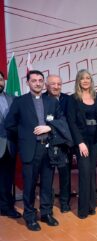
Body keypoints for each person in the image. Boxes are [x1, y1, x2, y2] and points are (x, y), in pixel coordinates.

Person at [5, 70, 65, 231]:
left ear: (43, 82)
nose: (37, 83)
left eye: (40, 80)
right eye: (34, 80)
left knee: (47, 184)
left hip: (48, 148)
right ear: (28, 83)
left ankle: (46, 213)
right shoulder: (20, 102)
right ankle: (30, 216)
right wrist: (24, 136)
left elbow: (61, 120)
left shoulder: (52, 101)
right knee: (30, 185)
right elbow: (9, 124)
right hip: (30, 149)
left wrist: (49, 127)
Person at [67, 69, 97, 219]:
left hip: (95, 141)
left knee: (91, 174)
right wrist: (80, 143)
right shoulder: (73, 99)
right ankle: (82, 210)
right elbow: (72, 122)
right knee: (84, 172)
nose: (85, 81)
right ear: (78, 81)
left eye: (88, 78)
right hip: (82, 141)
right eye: (82, 78)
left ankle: (91, 205)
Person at [44, 74, 72, 213]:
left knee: (65, 175)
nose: (56, 87)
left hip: (64, 143)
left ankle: (64, 203)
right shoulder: (41, 99)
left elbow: (70, 121)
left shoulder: (68, 99)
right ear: (46, 85)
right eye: (53, 84)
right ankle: (47, 204)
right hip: (46, 144)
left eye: (59, 84)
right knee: (47, 176)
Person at [0, 71, 21, 219]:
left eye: (0, 79)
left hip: (10, 145)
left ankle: (6, 207)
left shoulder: (13, 99)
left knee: (7, 179)